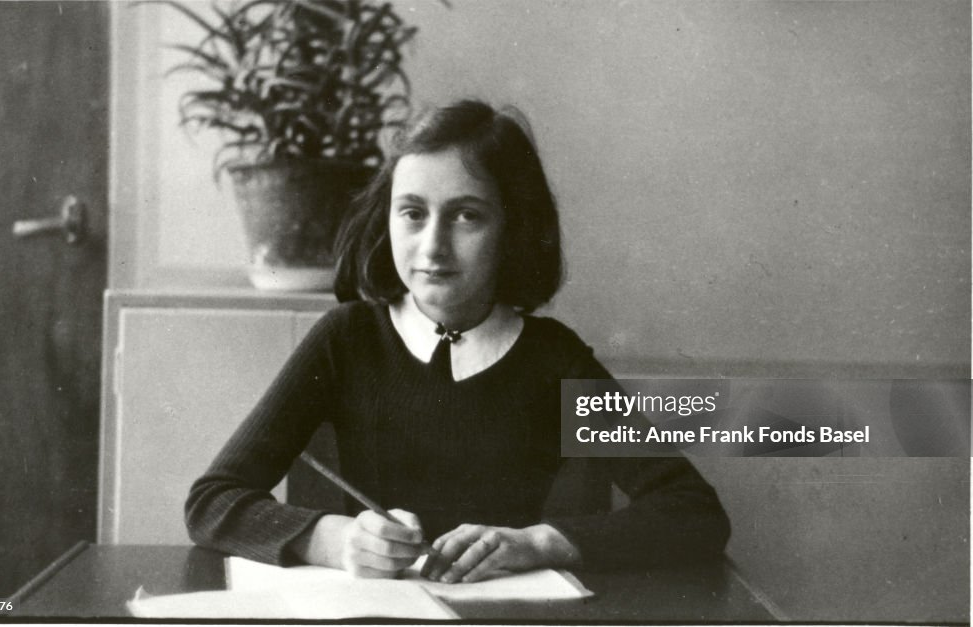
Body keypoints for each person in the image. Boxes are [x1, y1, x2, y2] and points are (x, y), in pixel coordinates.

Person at [185, 100, 730, 583]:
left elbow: (693, 512)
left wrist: (538, 543)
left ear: (514, 230)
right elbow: (212, 500)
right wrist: (331, 539)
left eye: (467, 215)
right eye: (413, 213)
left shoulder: (552, 359)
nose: (433, 246)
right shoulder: (347, 338)